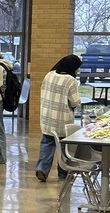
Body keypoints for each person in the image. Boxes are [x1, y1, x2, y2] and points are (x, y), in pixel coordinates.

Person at [34, 54, 83, 182]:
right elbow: (75, 102)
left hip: (46, 118)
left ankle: (42, 169)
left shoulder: (49, 75)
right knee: (64, 147)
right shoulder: (70, 80)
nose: (77, 71)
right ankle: (63, 173)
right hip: (63, 120)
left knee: (47, 143)